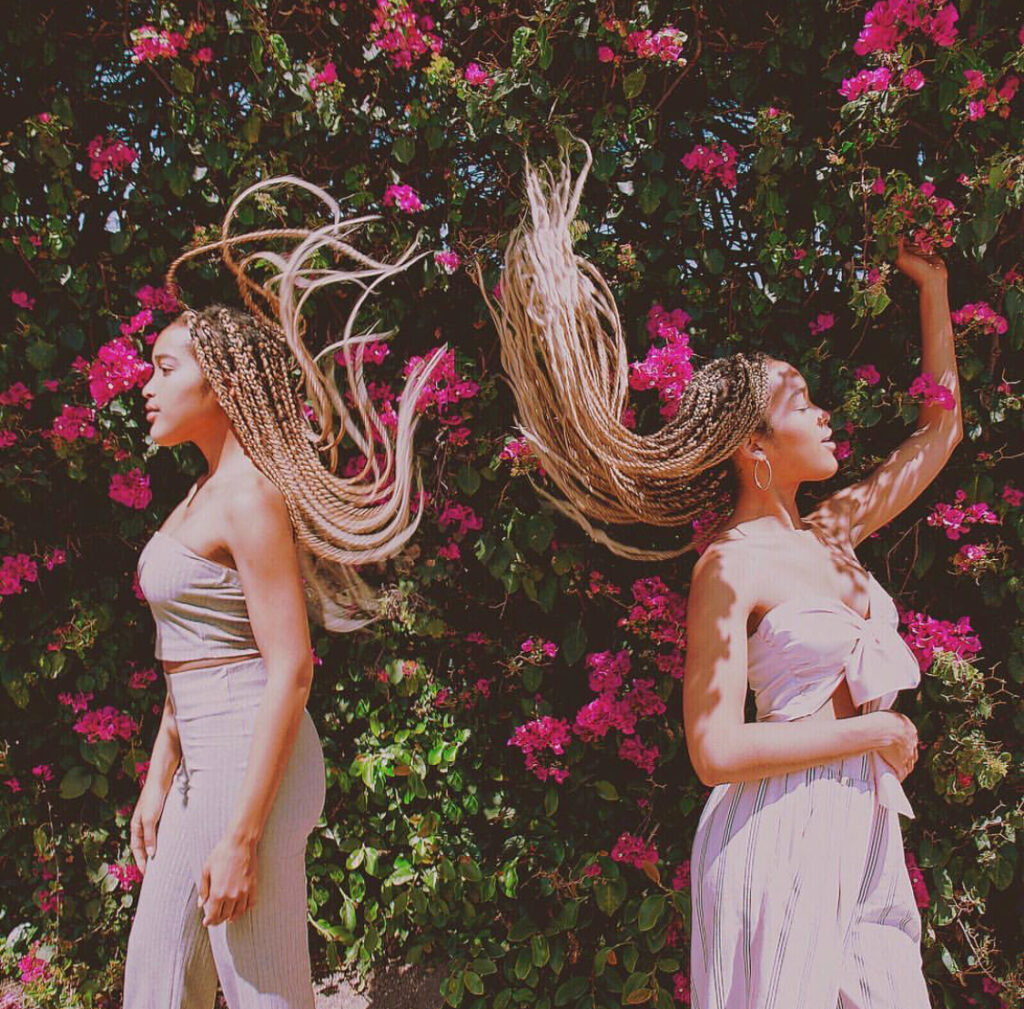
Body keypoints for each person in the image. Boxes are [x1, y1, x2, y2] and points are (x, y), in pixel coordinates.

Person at [477, 141, 960, 1008]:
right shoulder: (726, 568)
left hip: (863, 827)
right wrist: (872, 736)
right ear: (754, 450)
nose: (821, 412)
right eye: (800, 402)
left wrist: (932, 290)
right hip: (779, 835)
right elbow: (716, 749)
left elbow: (938, 438)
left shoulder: (833, 533)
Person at [123, 176, 447, 1008]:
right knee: (156, 988)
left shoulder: (251, 496)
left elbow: (291, 668)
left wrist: (243, 834)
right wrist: (159, 774)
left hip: (248, 758)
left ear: (221, 382)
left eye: (164, 368)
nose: (145, 385)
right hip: (203, 754)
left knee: (263, 993)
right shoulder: (200, 495)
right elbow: (189, 654)